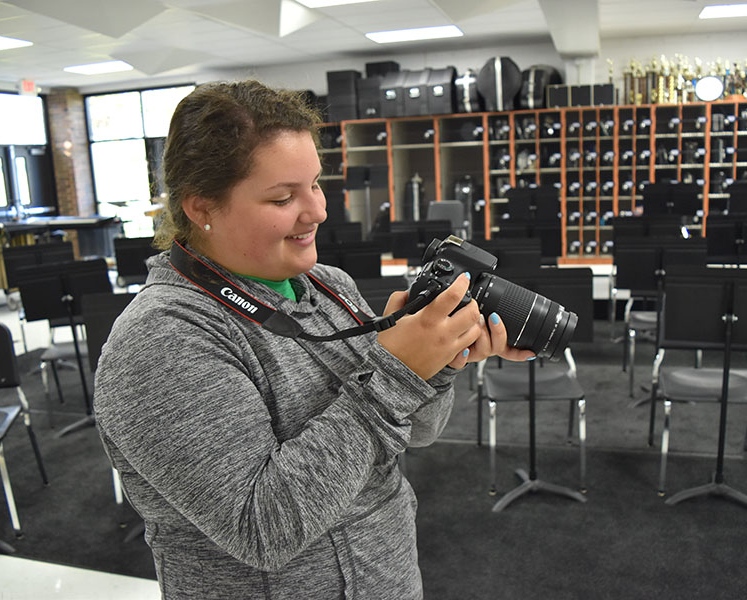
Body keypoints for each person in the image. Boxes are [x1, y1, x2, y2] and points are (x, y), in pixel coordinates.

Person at [93, 79, 532, 600]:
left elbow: (417, 432)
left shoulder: (331, 287)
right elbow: (262, 528)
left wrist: (437, 361)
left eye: (316, 185)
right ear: (202, 207)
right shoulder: (160, 341)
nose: (318, 212)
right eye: (283, 197)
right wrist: (395, 373)